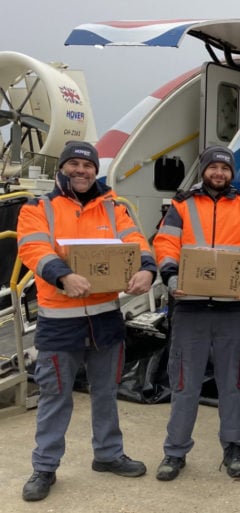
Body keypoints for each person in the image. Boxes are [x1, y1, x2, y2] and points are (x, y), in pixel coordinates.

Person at [16, 141, 157, 501]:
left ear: (96, 170)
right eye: (74, 164)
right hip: (59, 323)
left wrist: (147, 269)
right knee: (55, 396)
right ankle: (44, 467)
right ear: (62, 168)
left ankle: (108, 455)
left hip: (105, 320)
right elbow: (34, 249)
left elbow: (135, 241)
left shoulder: (113, 208)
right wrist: (64, 276)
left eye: (87, 165)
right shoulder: (39, 208)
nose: (81, 170)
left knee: (107, 392)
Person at [152, 145, 240, 481]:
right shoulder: (181, 205)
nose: (219, 173)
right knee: (184, 383)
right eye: (213, 167)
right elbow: (165, 243)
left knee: (231, 384)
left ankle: (233, 447)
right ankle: (175, 452)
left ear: (232, 174)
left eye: (225, 169)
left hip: (232, 310)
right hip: (190, 308)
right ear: (203, 169)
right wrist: (172, 276)